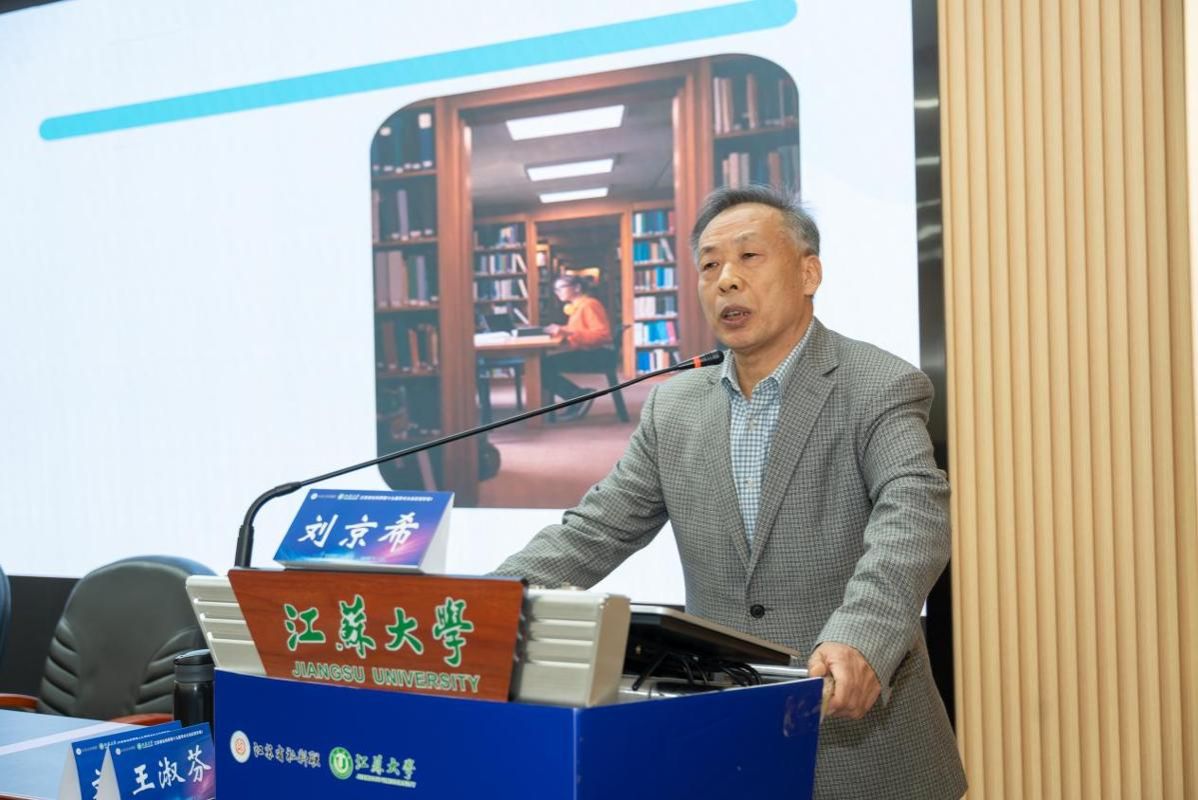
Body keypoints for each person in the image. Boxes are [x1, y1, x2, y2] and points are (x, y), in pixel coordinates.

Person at [495, 185, 967, 798]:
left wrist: (862, 634)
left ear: (809, 273)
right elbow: (596, 529)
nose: (727, 280)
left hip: (862, 746)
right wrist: (482, 602)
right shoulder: (674, 406)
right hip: (725, 744)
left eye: (749, 257)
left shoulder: (877, 383)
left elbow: (912, 516)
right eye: (710, 265)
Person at [541, 274, 613, 421]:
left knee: (541, 366)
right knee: (542, 365)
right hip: (588, 352)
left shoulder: (589, 305)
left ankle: (577, 397)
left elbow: (603, 335)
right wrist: (562, 329)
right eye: (555, 289)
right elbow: (580, 329)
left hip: (597, 355)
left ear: (577, 288)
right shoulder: (577, 307)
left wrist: (567, 332)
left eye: (561, 288)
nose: (557, 292)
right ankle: (577, 397)